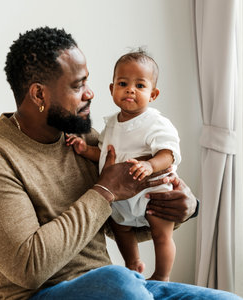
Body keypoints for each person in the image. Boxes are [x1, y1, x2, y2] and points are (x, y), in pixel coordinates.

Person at [0, 27, 242, 300]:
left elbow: (116, 220)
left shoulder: (82, 139)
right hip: (42, 294)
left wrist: (184, 208)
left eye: (87, 81)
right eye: (77, 85)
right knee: (120, 281)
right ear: (39, 94)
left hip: (114, 290)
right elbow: (28, 268)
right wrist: (105, 190)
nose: (91, 93)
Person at [66, 50, 180, 281]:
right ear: (112, 89)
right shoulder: (110, 125)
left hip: (152, 192)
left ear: (153, 94)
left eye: (140, 85)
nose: (130, 90)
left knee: (162, 235)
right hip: (121, 198)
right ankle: (133, 263)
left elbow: (168, 153)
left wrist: (150, 165)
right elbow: (106, 155)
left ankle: (161, 275)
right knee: (120, 228)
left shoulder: (155, 123)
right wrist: (84, 150)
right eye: (123, 83)